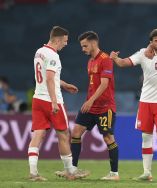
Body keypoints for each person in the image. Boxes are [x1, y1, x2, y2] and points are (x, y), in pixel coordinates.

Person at [110, 29, 157, 181]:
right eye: (156, 41)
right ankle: (147, 172)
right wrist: (115, 58)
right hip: (146, 101)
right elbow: (123, 63)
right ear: (151, 42)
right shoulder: (143, 54)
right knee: (145, 136)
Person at [55, 31, 120, 180]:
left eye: (85, 46)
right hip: (90, 106)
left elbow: (104, 85)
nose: (83, 49)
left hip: (105, 107)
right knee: (76, 132)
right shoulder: (90, 61)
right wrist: (89, 101)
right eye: (82, 46)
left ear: (93, 43)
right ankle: (72, 170)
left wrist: (90, 101)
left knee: (108, 138)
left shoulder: (105, 60)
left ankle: (114, 174)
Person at [28, 26, 89, 181]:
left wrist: (64, 84)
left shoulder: (39, 52)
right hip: (51, 100)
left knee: (38, 135)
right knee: (63, 134)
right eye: (65, 41)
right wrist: (54, 102)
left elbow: (47, 76)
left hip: (38, 99)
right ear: (57, 39)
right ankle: (70, 171)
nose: (66, 44)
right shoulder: (53, 55)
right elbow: (49, 78)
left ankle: (33, 173)